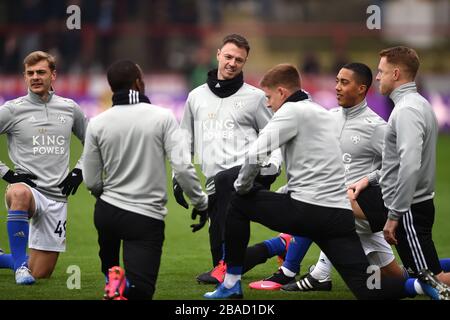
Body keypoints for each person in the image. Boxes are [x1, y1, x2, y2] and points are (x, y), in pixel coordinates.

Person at [203, 63, 449, 300]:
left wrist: (244, 187)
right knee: (369, 289)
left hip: (318, 209)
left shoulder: (293, 111)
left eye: (268, 97)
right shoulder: (323, 114)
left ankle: (232, 284)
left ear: (281, 92)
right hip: (339, 216)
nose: (267, 103)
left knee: (237, 201)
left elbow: (255, 155)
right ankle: (419, 285)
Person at [247, 62, 404, 292]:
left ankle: (293, 269)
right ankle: (426, 278)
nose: (337, 87)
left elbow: (396, 166)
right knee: (398, 278)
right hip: (342, 213)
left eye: (344, 82)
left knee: (315, 213)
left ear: (361, 88)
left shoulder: (376, 127)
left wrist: (366, 180)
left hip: (357, 209)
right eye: (337, 81)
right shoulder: (328, 118)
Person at [82, 60, 208, 300]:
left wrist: (106, 195)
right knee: (141, 292)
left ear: (111, 87)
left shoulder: (97, 123)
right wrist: (200, 202)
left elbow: (91, 180)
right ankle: (122, 286)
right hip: (144, 216)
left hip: (107, 213)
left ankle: (114, 281)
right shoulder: (163, 117)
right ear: (139, 83)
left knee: (112, 279)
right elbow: (182, 168)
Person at [175, 34, 281, 284]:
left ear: (245, 63)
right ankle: (278, 245)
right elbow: (184, 141)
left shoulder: (255, 97)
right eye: (229, 57)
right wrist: (177, 177)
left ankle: (231, 265)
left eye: (239, 60)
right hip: (214, 184)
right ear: (218, 54)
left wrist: (273, 166)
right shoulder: (196, 97)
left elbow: (275, 134)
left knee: (225, 256)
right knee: (225, 259)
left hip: (244, 180)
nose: (233, 63)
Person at [349, 46, 450, 286]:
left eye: (381, 71)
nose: (377, 77)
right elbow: (401, 162)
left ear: (395, 74)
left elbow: (410, 165)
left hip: (409, 210)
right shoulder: (417, 104)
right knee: (423, 277)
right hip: (411, 206)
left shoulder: (406, 110)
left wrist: (395, 215)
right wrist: (370, 179)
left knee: (431, 281)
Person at [0, 51, 87, 285]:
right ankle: (19, 268)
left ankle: (7, 259)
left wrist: (80, 170)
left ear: (53, 75)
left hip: (57, 196)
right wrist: (7, 174)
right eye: (30, 73)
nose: (35, 77)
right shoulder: (12, 109)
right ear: (24, 77)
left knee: (41, 272)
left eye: (41, 72)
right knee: (18, 193)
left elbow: (94, 143)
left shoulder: (70, 108)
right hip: (28, 189)